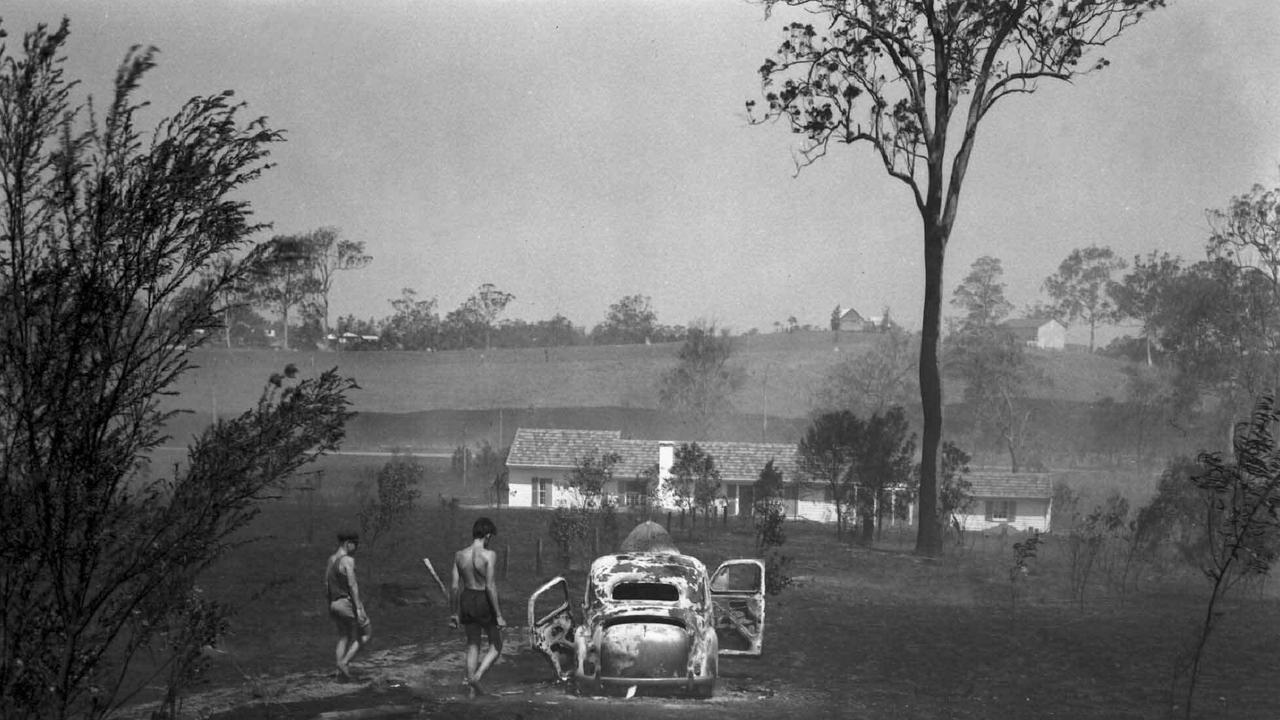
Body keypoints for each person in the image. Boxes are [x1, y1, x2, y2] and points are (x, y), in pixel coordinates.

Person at [450, 517, 506, 697]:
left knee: (473, 644)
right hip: (483, 599)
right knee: (496, 645)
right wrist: (498, 614)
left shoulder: (459, 555)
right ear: (487, 535)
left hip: (467, 598)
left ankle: (471, 691)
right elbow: (490, 586)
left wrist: (454, 613)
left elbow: (454, 587)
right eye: (491, 537)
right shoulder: (489, 555)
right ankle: (477, 677)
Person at [325, 531, 371, 680]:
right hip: (346, 602)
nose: (356, 548)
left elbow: (326, 584)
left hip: (334, 603)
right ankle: (345, 663)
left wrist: (331, 604)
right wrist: (358, 607)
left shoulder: (331, 559)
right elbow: (352, 584)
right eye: (355, 544)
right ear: (347, 543)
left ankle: (340, 672)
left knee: (344, 636)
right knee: (365, 633)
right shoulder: (348, 560)